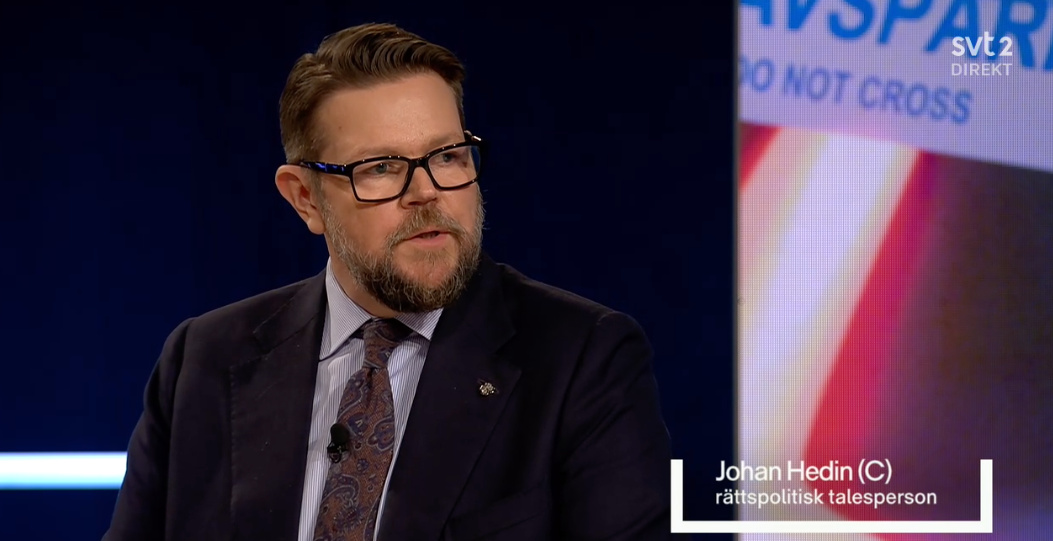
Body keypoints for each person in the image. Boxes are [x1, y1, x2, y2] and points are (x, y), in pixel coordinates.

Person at [103, 22, 671, 541]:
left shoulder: (581, 358)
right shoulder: (202, 360)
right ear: (305, 199)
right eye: (380, 168)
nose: (427, 192)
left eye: (448, 157)